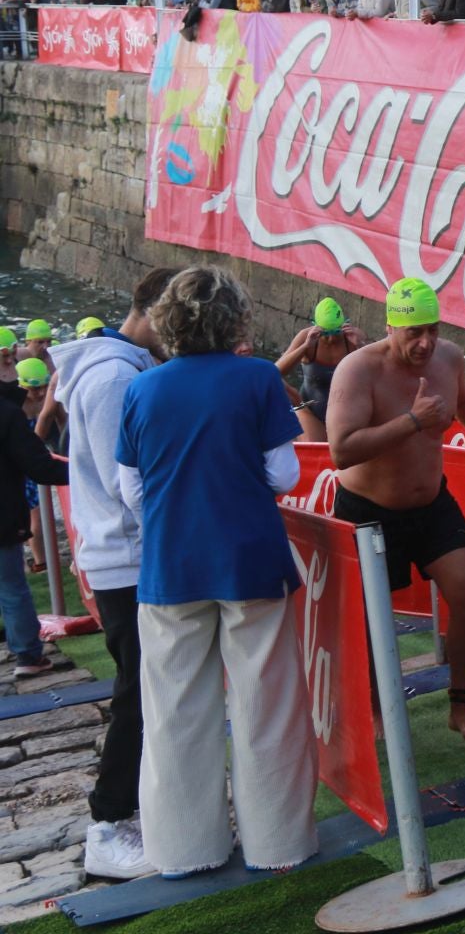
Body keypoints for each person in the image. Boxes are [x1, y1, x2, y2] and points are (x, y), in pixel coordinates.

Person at [116, 267, 317, 874]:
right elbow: (284, 475)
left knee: (174, 711)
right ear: (235, 320)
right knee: (267, 704)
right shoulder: (257, 377)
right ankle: (278, 845)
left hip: (169, 565)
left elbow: (132, 490)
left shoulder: (142, 389)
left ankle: (182, 851)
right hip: (250, 557)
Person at [48, 265, 178, 879]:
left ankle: (136, 812)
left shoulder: (123, 371)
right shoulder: (112, 379)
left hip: (126, 556)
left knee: (148, 691)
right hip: (128, 559)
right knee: (137, 694)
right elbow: (130, 485)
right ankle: (106, 823)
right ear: (153, 310)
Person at [327, 279, 465, 742]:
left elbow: (463, 402)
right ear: (390, 328)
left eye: (433, 330)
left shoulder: (450, 357)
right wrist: (412, 422)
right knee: (369, 617)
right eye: (414, 333)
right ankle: (377, 710)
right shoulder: (357, 370)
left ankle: (461, 702)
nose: (425, 343)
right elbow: (341, 451)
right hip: (368, 511)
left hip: (431, 502)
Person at [1, 356, 65, 682]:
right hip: (3, 517)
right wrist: (81, 472)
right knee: (12, 586)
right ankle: (27, 653)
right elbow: (38, 464)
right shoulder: (9, 414)